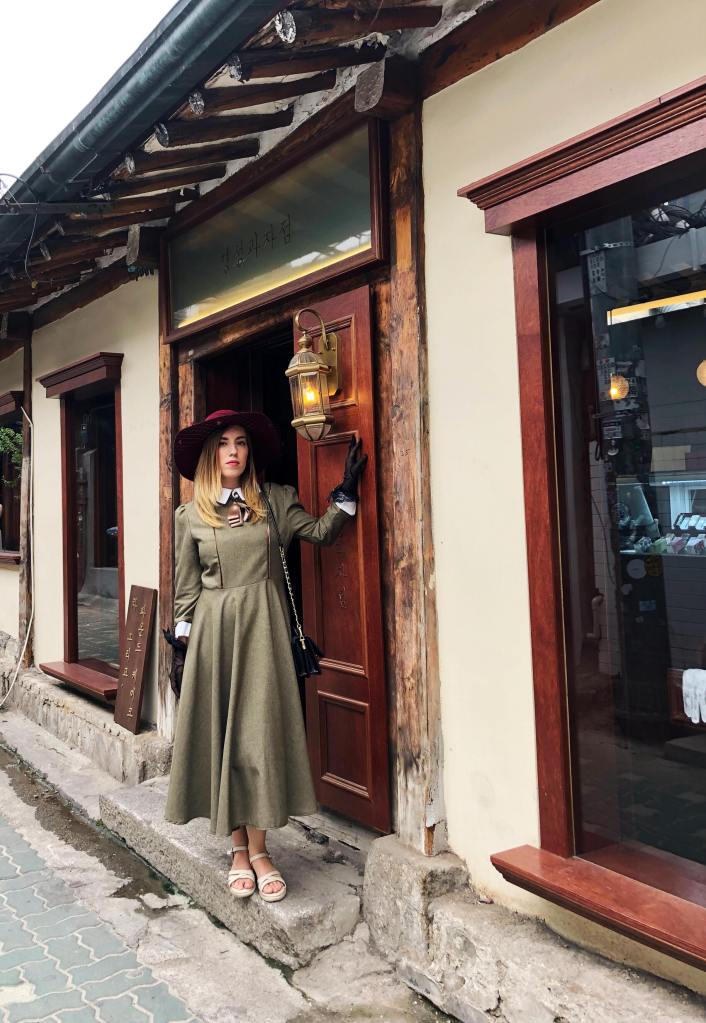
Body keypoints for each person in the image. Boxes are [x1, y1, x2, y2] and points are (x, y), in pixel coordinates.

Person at [163, 409, 366, 902]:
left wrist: (346, 494)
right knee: (223, 736)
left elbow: (320, 533)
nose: (233, 451)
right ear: (211, 455)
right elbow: (187, 589)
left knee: (259, 736)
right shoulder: (190, 515)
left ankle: (260, 850)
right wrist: (182, 648)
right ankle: (237, 849)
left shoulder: (275, 500)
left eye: (240, 442)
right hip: (214, 634)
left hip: (265, 632)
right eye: (223, 444)